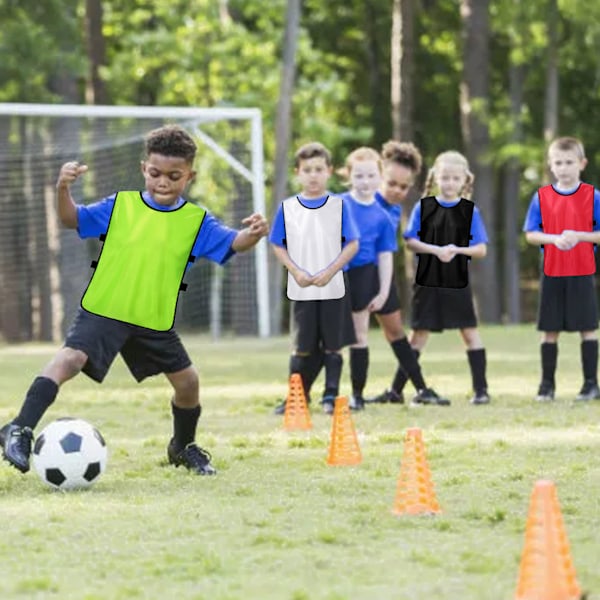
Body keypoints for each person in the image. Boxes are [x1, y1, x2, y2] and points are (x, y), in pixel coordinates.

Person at [0, 124, 268, 476]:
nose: (163, 182)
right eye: (155, 173)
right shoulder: (121, 205)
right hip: (105, 309)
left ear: (190, 176)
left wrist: (253, 233)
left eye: (174, 176)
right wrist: (62, 188)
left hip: (152, 320)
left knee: (188, 383)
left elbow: (233, 242)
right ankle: (18, 428)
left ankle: (182, 447)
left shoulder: (195, 221)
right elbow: (71, 219)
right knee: (70, 359)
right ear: (144, 168)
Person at [342, 146, 445, 410]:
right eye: (391, 183)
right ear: (378, 176)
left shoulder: (394, 211)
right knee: (355, 335)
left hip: (381, 278)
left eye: (403, 186)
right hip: (354, 277)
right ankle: (344, 393)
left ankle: (417, 389)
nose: (397, 190)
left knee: (395, 332)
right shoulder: (356, 202)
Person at [270, 142, 359, 415]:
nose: (313, 175)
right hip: (303, 288)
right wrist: (296, 272)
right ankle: (297, 398)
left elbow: (352, 244)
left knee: (333, 344)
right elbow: (277, 244)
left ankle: (330, 396)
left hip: (333, 286)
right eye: (307, 170)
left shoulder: (339, 205)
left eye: (319, 169)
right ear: (298, 172)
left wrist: (330, 271)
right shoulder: (288, 208)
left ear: (329, 171)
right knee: (302, 347)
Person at [403, 150, 491, 405]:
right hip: (427, 282)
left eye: (455, 178)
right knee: (418, 335)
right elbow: (410, 241)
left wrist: (457, 250)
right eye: (445, 178)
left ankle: (481, 390)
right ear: (435, 178)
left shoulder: (469, 211)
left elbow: (481, 249)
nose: (450, 183)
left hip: (456, 283)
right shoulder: (424, 207)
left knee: (469, 333)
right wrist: (435, 250)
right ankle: (398, 389)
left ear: (464, 180)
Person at [523, 136, 600, 402]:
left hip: (582, 270)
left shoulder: (593, 196)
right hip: (552, 271)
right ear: (550, 165)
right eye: (558, 162)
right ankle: (547, 385)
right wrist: (554, 238)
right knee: (549, 330)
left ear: (582, 163)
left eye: (569, 162)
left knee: (587, 327)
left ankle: (591, 384)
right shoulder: (542, 197)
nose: (564, 168)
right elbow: (531, 234)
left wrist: (580, 235)